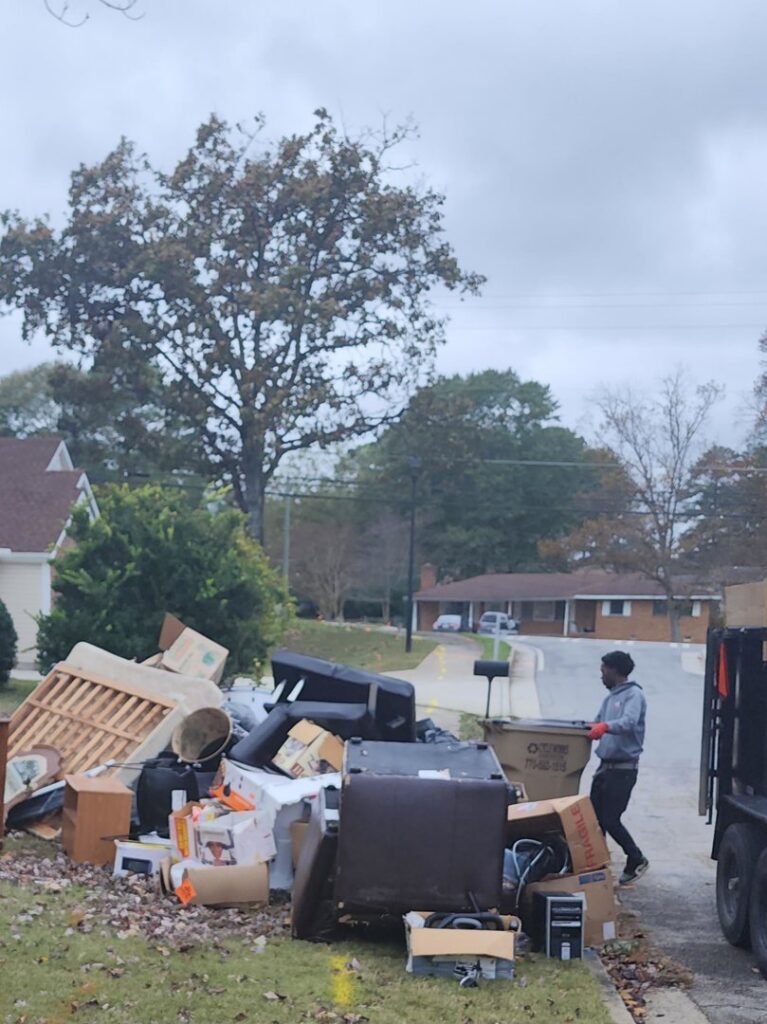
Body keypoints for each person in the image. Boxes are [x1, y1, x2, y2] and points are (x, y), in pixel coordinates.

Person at [588, 650, 649, 885]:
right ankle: (596, 869)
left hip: (623, 769)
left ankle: (636, 858)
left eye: (603, 670)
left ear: (615, 670)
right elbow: (596, 723)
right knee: (594, 821)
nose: (601, 675)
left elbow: (628, 722)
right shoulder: (610, 698)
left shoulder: (634, 695)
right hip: (605, 767)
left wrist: (604, 727)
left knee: (611, 819)